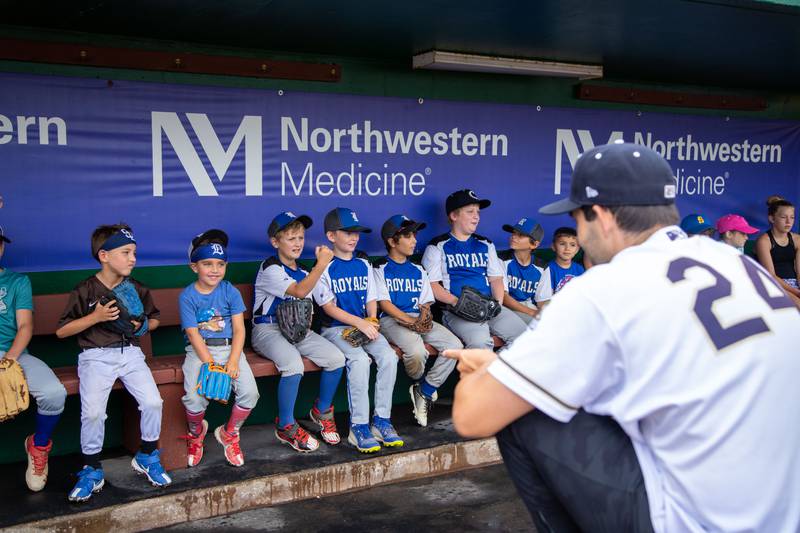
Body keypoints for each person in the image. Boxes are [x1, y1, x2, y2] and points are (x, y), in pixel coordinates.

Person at [445, 142, 800, 533]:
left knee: (524, 408)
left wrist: (493, 372)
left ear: (601, 216)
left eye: (579, 219)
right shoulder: (734, 261)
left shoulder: (607, 284)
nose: (579, 234)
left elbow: (472, 415)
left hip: (701, 521)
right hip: (783, 511)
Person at [56, 224, 170, 502]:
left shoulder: (137, 288)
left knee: (153, 402)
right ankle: (92, 468)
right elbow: (62, 331)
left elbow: (154, 318)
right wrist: (94, 318)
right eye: (126, 252)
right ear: (104, 255)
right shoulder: (85, 289)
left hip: (130, 353)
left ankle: (147, 454)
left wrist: (144, 326)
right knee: (94, 413)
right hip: (95, 355)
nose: (133, 258)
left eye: (134, 252)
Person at [251, 212, 345, 452]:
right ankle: (286, 424)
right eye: (291, 238)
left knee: (336, 359)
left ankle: (322, 411)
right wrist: (322, 264)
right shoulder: (270, 268)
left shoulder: (304, 271)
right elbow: (300, 292)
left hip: (296, 329)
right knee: (293, 364)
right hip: (267, 328)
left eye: (301, 238)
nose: (297, 243)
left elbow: (320, 301)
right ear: (275, 242)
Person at [313, 207, 403, 453]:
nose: (354, 237)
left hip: (364, 326)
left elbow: (371, 299)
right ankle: (358, 426)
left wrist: (371, 320)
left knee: (388, 357)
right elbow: (329, 308)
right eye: (347, 232)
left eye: (357, 232)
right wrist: (360, 323)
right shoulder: (325, 266)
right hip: (335, 330)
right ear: (331, 236)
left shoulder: (363, 263)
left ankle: (381, 420)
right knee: (360, 361)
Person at [179, 229, 259, 467]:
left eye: (220, 264)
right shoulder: (187, 296)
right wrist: (210, 364)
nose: (214, 269)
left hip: (230, 349)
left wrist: (233, 361)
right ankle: (196, 433)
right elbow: (193, 334)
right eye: (207, 264)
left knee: (250, 393)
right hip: (200, 351)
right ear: (194, 267)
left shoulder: (229, 291)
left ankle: (229, 433)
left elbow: (239, 330)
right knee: (193, 398)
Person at [373, 214, 462, 427]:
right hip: (391, 320)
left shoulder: (418, 269)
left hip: (416, 319)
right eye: (408, 236)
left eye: (415, 235)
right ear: (392, 241)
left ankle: (425, 389)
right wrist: (409, 322)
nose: (414, 240)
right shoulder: (379, 267)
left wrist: (423, 317)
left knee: (455, 346)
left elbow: (426, 303)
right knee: (417, 352)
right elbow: (385, 305)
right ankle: (417, 378)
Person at [0, 227, 67, 492]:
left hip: (13, 353)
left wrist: (8, 362)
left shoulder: (18, 282)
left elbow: (25, 326)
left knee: (54, 393)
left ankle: (38, 445)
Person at [422, 189, 527, 349]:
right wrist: (457, 302)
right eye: (470, 212)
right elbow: (432, 285)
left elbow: (496, 279)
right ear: (454, 216)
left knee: (524, 338)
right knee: (480, 342)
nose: (476, 216)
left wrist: (496, 304)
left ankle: (493, 373)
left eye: (478, 212)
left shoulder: (485, 244)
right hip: (457, 310)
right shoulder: (438, 246)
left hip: (488, 305)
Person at [497, 217, 545, 325]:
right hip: (508, 308)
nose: (514, 237)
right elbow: (504, 297)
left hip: (530, 307)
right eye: (514, 233)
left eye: (520, 235)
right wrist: (533, 313)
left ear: (534, 244)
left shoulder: (542, 267)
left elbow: (542, 300)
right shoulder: (501, 260)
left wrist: (543, 313)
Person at [755, 196, 800, 304]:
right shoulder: (764, 241)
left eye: (792, 217)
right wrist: (797, 293)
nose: (789, 221)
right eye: (784, 217)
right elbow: (771, 275)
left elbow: (799, 272)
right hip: (774, 285)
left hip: (795, 285)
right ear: (772, 218)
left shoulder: (797, 239)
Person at [533, 226, 584, 310]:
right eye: (562, 244)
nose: (567, 248)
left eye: (572, 245)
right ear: (553, 246)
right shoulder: (548, 269)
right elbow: (546, 300)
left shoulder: (579, 269)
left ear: (577, 249)